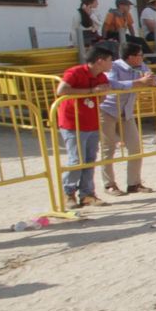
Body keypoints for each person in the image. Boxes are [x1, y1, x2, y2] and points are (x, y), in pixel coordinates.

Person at [56, 44, 115, 208]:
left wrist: (102, 92)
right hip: (72, 122)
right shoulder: (75, 72)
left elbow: (101, 99)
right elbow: (61, 90)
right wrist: (91, 91)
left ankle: (87, 193)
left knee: (89, 159)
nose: (112, 63)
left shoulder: (102, 77)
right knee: (77, 160)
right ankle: (68, 193)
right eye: (110, 60)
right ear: (100, 61)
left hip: (91, 122)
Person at [98, 42, 156, 195]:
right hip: (107, 111)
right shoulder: (114, 67)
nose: (142, 58)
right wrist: (138, 83)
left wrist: (153, 81)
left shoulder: (141, 67)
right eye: (140, 55)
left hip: (126, 112)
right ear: (131, 57)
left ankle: (134, 183)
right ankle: (109, 185)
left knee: (135, 148)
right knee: (108, 149)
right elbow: (111, 84)